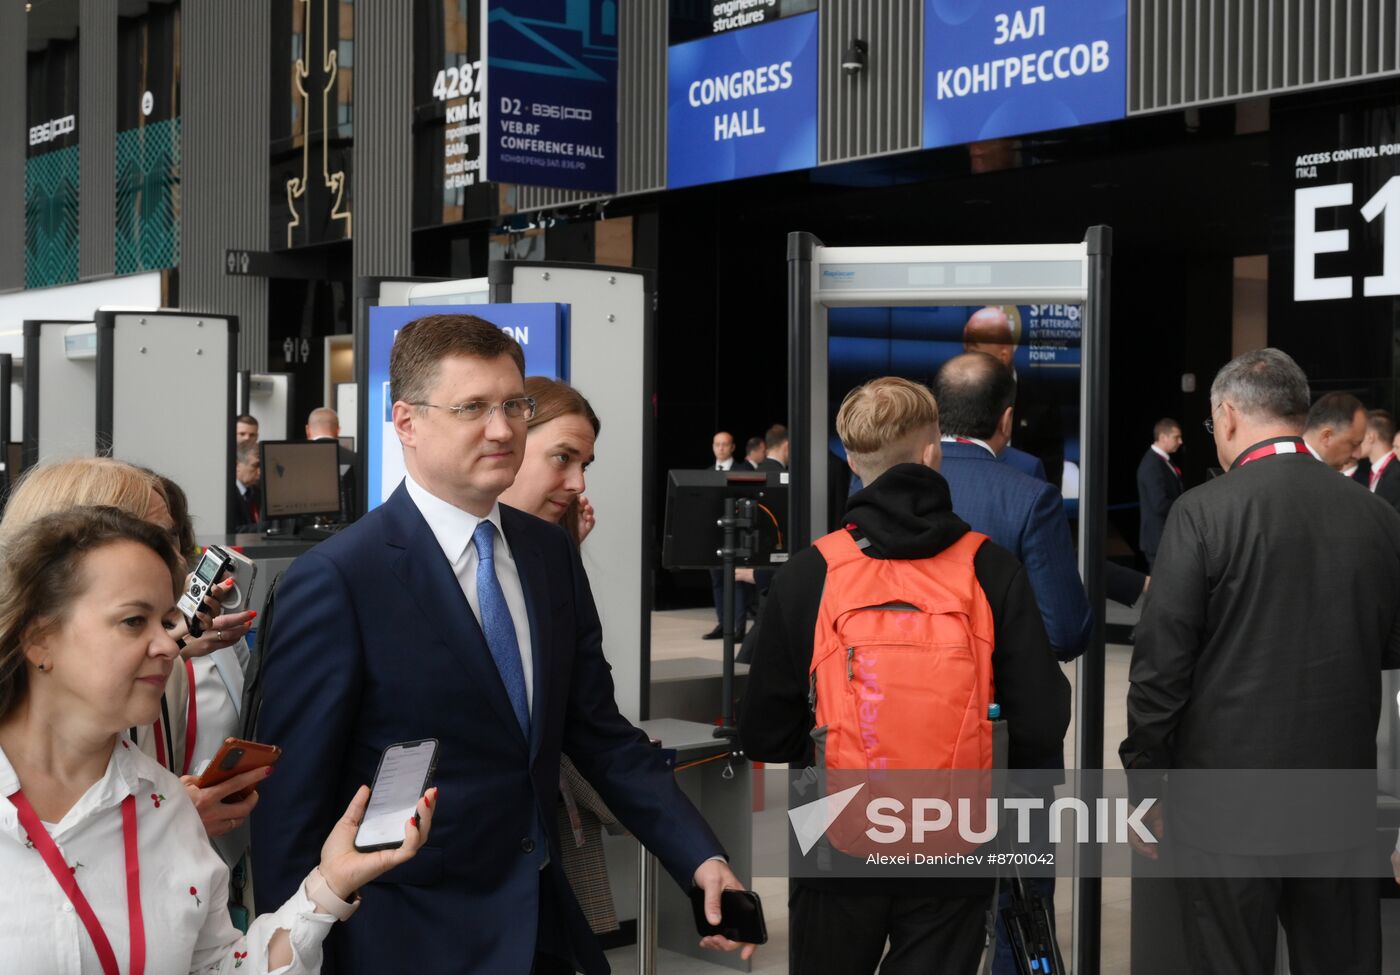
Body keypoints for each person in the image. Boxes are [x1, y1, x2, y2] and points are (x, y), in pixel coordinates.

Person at [250, 314, 753, 974]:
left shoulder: (547, 553)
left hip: (544, 927)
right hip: (407, 942)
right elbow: (291, 805)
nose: (502, 427)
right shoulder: (341, 579)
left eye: (514, 405)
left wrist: (701, 856)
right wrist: (295, 950)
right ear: (406, 421)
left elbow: (598, 732)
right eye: (473, 408)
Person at [0, 505, 437, 974]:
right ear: (39, 639)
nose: (169, 645)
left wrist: (327, 886)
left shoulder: (165, 807)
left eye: (167, 622)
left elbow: (219, 967)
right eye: (133, 621)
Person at [740, 376, 1069, 975]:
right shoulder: (990, 569)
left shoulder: (811, 573)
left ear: (854, 459)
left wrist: (836, 748)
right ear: (932, 453)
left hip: (831, 830)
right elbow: (1044, 721)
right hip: (955, 834)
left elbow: (762, 730)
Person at [1121, 348, 1400, 975]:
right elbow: (1392, 645)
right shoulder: (1378, 517)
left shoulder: (1201, 512)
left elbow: (1160, 666)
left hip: (1224, 805)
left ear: (1225, 417)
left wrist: (1146, 783)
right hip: (1340, 801)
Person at [1, 458, 258, 841]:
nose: (173, 559)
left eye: (170, 538)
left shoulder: (160, 676)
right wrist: (166, 824)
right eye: (147, 538)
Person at [500, 376, 619, 936]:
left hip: (546, 850)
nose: (576, 483)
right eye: (562, 458)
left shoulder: (555, 559)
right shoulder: (378, 567)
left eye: (584, 465)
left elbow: (590, 715)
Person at [933, 352, 1092, 661]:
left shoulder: (885, 481)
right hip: (993, 695)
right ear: (1006, 421)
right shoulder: (1032, 498)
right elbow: (1066, 634)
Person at [1136, 417, 1185, 570]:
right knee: (1161, 590)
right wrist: (1185, 509)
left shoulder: (1163, 461)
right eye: (1176, 437)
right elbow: (1160, 504)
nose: (1180, 441)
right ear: (1163, 437)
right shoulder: (1152, 464)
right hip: (1158, 540)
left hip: (1164, 538)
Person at [306, 407, 358, 524]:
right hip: (347, 530)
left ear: (307, 430)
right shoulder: (355, 459)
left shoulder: (295, 459)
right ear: (338, 430)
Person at [1301, 391, 1366, 471]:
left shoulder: (1291, 466)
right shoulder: (1297, 472)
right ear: (1326, 437)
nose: (1358, 455)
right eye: (1354, 444)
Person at [1357, 409, 1400, 510]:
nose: (1355, 440)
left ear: (1370, 437)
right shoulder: (1382, 471)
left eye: (1359, 433)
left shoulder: (1396, 474)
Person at [230, 440, 262, 533]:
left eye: (261, 466)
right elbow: (233, 531)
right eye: (255, 466)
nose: (259, 472)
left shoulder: (258, 492)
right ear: (237, 465)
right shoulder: (229, 498)